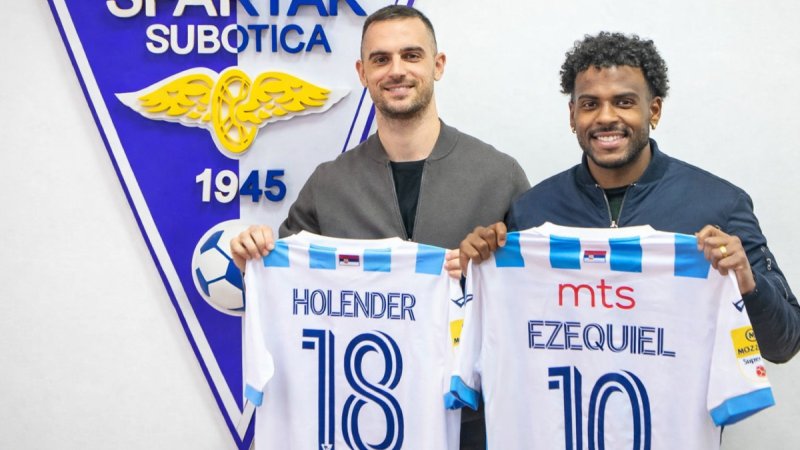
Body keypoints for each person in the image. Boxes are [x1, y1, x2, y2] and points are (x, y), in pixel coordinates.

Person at [231, 5, 529, 448]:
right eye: (381, 59)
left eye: (411, 55)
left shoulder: (498, 177)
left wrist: (483, 277)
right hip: (356, 426)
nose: (397, 70)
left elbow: (535, 303)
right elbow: (287, 297)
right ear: (362, 72)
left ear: (438, 65)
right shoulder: (329, 185)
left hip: (472, 425)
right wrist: (252, 262)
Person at [460, 31, 800, 364]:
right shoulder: (531, 210)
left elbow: (784, 345)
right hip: (562, 401)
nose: (606, 117)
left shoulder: (720, 204)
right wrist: (472, 272)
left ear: (654, 110)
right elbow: (498, 334)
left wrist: (748, 283)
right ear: (572, 115)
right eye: (590, 104)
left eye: (624, 102)